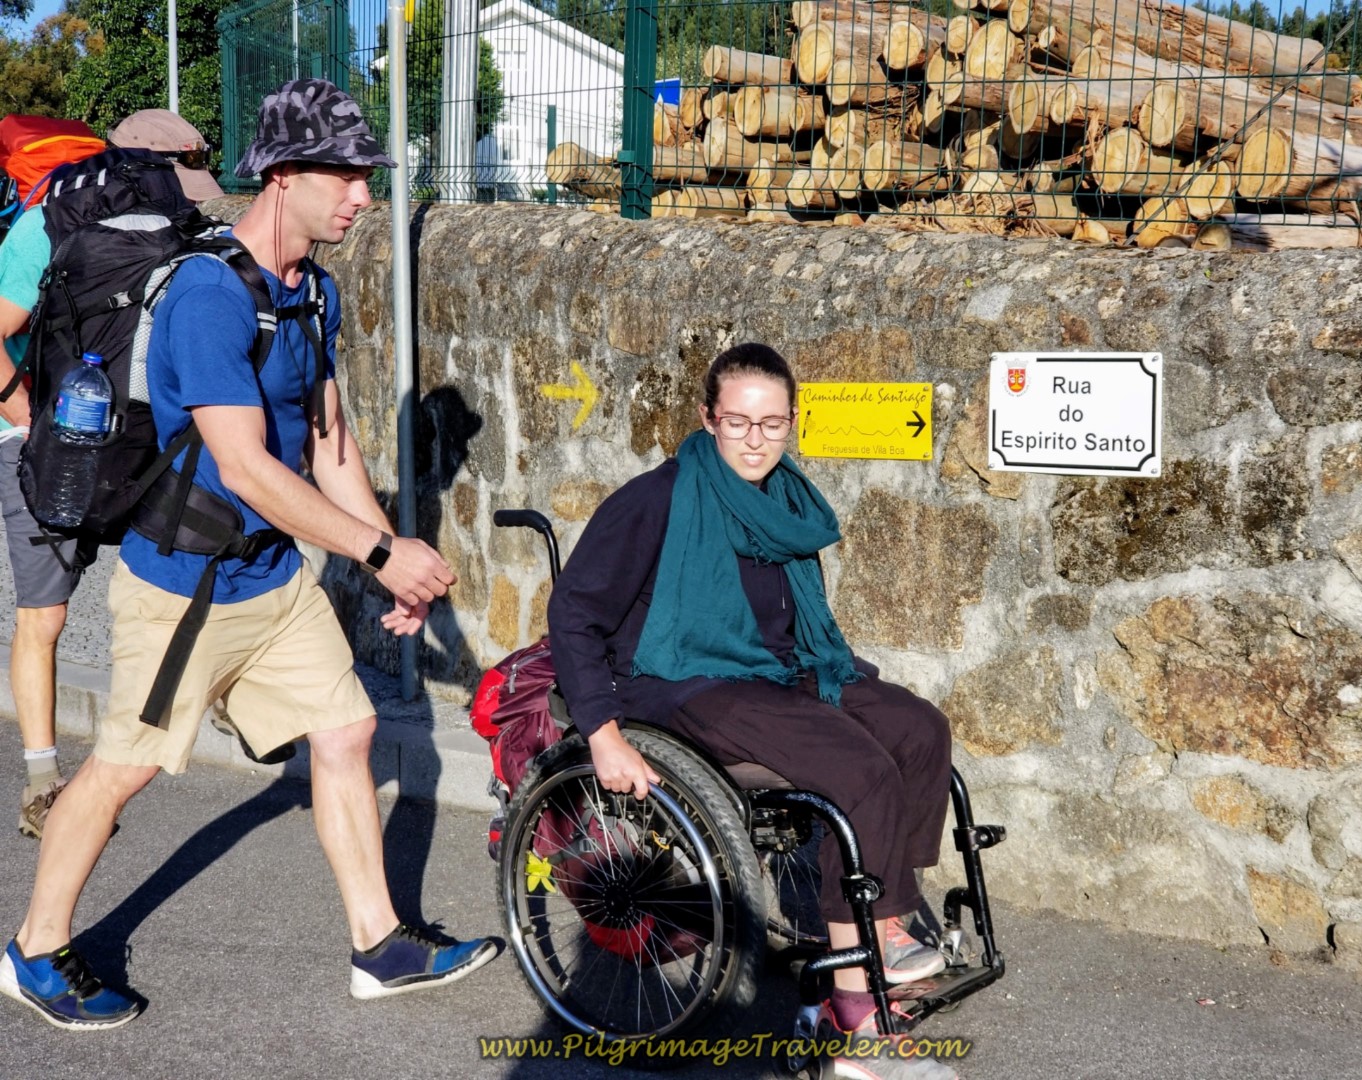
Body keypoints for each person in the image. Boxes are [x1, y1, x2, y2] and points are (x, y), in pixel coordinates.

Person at [0, 80, 497, 1031]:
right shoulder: (205, 294)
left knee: (346, 733)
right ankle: (32, 949)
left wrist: (381, 552)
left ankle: (379, 944)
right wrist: (381, 550)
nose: (362, 195)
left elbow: (329, 441)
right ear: (281, 175)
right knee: (120, 771)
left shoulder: (314, 290)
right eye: (346, 175)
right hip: (186, 588)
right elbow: (243, 463)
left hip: (270, 574)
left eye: (366, 176)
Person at [547, 343, 959, 1080]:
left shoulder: (788, 504)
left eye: (771, 424)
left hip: (776, 673)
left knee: (918, 728)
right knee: (856, 769)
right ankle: (856, 1019)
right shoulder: (658, 498)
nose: (755, 438)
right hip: (679, 681)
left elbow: (791, 626)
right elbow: (574, 610)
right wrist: (602, 735)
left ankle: (883, 924)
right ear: (709, 419)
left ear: (792, 424)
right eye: (738, 422)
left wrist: (842, 681)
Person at [0, 110, 224, 841]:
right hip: (42, 442)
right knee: (47, 615)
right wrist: (22, 404)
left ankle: (177, 719)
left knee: (175, 576)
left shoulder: (183, 223)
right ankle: (41, 780)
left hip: (139, 437)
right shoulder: (45, 223)